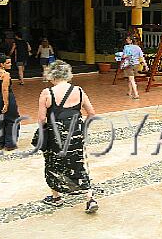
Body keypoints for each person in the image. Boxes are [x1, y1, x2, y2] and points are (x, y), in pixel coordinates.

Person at [37, 60, 99, 214]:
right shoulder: (78, 90)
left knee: (52, 165)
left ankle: (56, 198)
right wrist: (82, 127)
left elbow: (41, 119)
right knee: (78, 164)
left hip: (55, 135)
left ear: (52, 75)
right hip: (76, 133)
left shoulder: (47, 93)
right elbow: (91, 113)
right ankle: (90, 198)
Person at [0, 53, 19, 151]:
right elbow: (5, 89)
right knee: (12, 120)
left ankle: (0, 143)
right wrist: (6, 103)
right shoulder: (5, 74)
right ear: (2, 64)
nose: (10, 64)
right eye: (8, 63)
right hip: (4, 98)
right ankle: (10, 144)